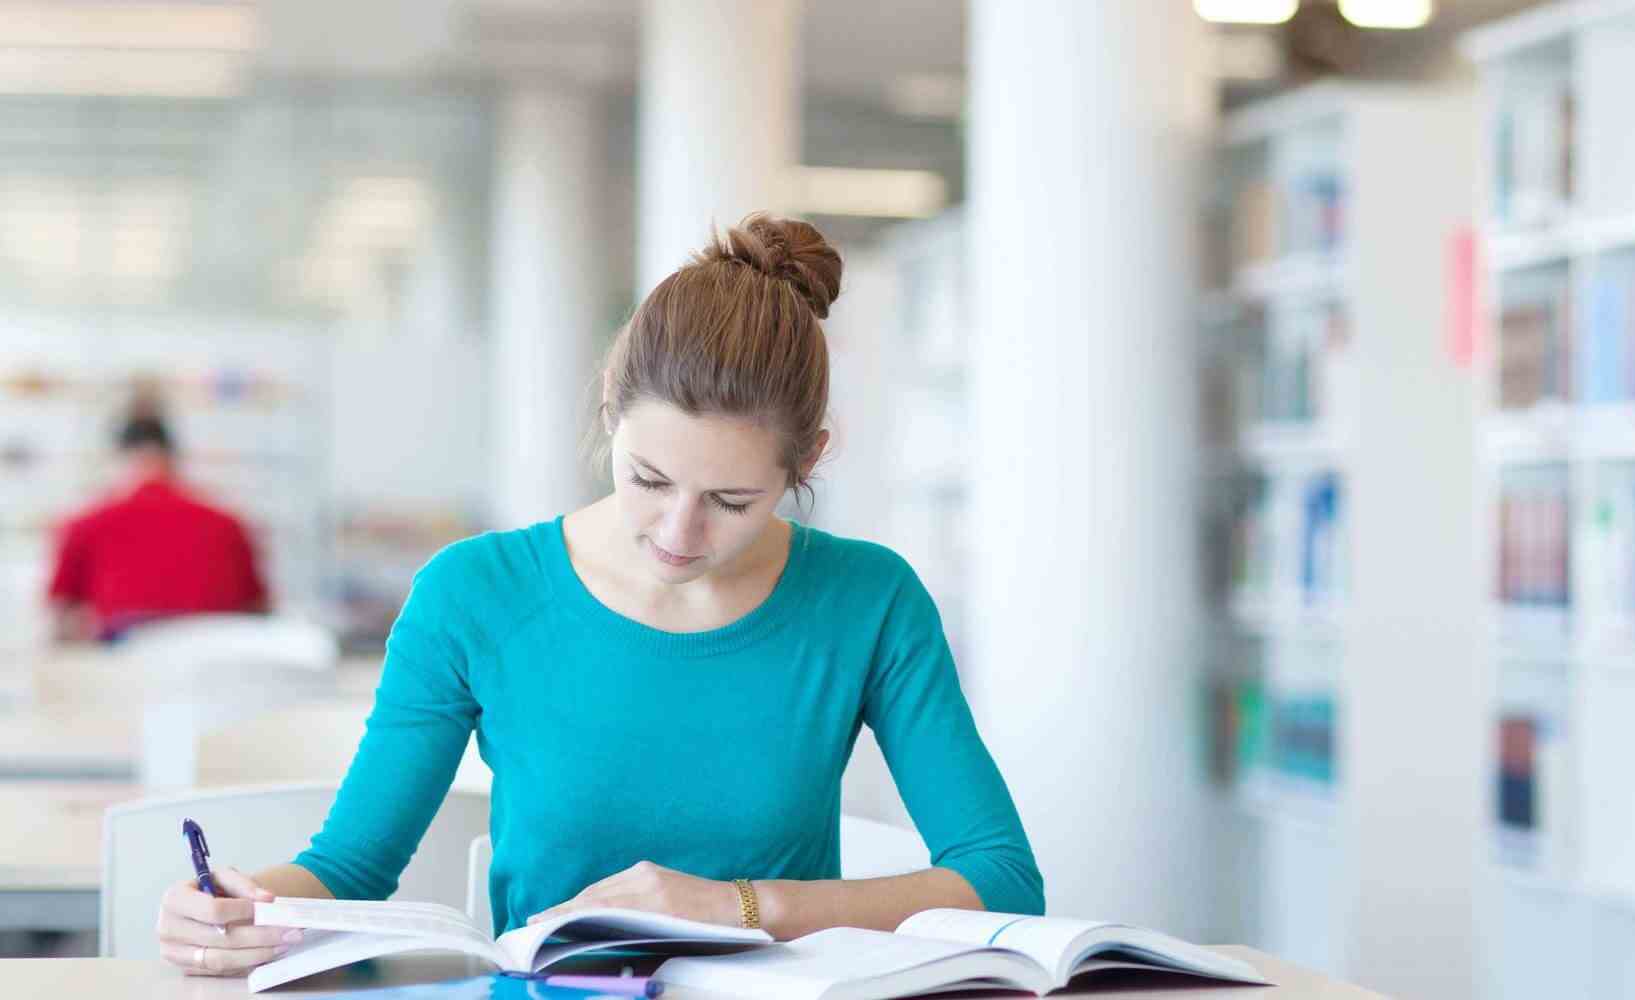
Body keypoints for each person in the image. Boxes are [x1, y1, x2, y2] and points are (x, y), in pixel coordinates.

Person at [154, 214, 1044, 977]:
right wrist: (237, 910)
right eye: (648, 479)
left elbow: (1001, 878)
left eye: (732, 501)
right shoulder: (474, 594)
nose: (678, 531)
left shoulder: (869, 600)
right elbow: (351, 867)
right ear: (612, 406)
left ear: (806, 460)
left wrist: (740, 906)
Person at [45, 405, 269, 642]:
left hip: (127, 653)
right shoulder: (228, 523)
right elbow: (258, 607)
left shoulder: (86, 524)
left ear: (120, 457)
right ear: (173, 456)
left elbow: (62, 613)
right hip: (217, 650)